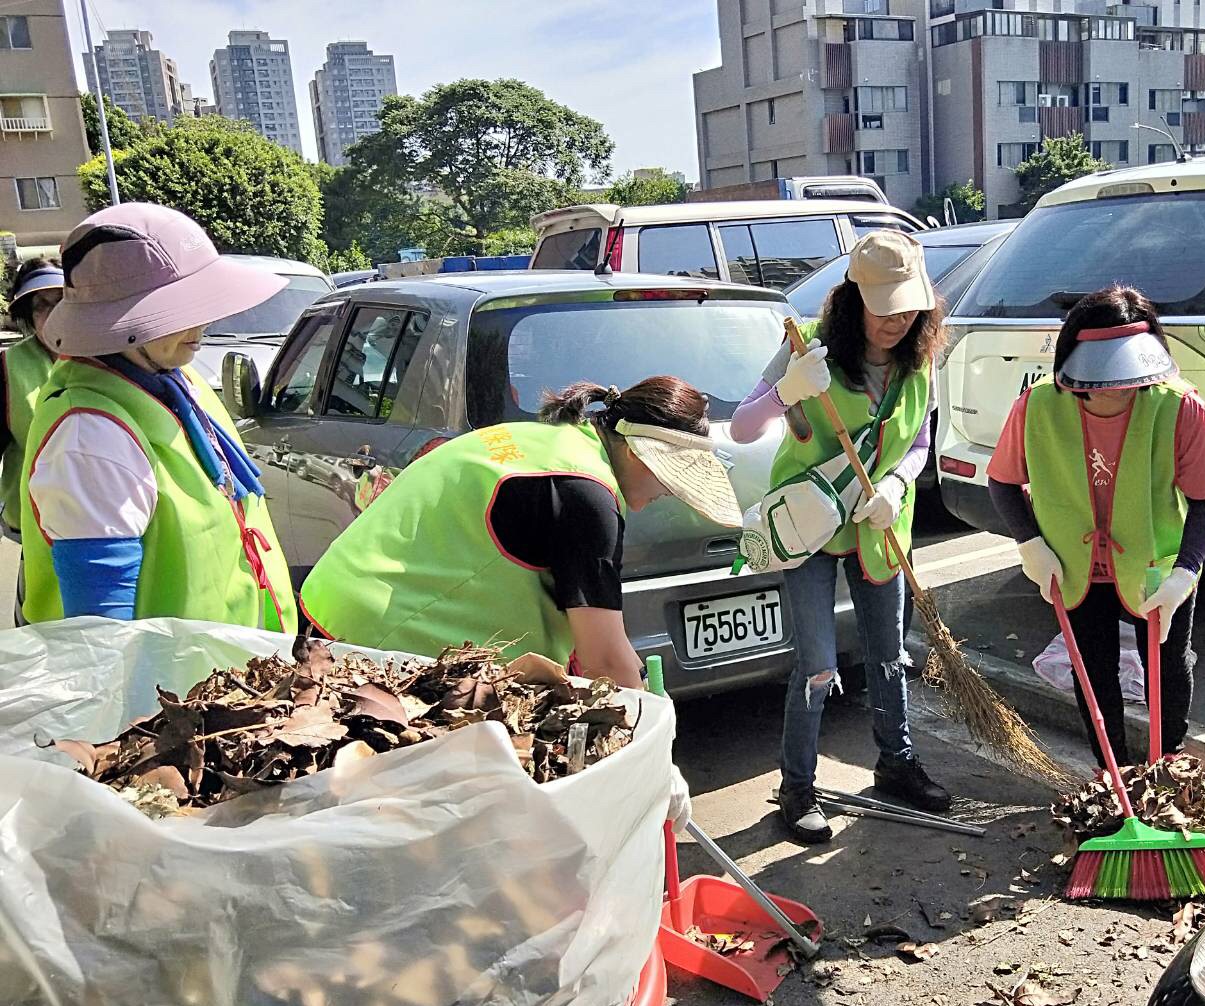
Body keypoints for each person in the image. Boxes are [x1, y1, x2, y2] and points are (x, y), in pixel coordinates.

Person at [299, 375, 743, 689]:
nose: (669, 491)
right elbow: (604, 660)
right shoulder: (586, 496)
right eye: (670, 475)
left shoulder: (552, 441)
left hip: (335, 601)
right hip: (374, 642)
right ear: (634, 451)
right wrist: (651, 751)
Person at [729, 230, 952, 844]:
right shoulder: (810, 349)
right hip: (808, 528)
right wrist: (787, 391)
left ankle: (896, 765)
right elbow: (745, 428)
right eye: (884, 307)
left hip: (879, 525)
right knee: (818, 665)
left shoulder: (919, 361)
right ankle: (796, 787)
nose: (897, 320)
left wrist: (901, 485)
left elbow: (921, 442)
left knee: (889, 656)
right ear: (854, 299)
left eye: (909, 307)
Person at [21, 203, 296, 632]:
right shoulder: (89, 435)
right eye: (178, 308)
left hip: (227, 677)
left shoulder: (178, 378)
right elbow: (101, 635)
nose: (200, 321)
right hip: (163, 693)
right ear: (119, 323)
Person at [986, 285, 1205, 769]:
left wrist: (1186, 572)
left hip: (1157, 565)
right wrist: (1031, 544)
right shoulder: (1038, 407)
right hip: (1072, 565)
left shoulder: (1178, 407)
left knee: (1166, 669)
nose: (1114, 387)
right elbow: (1002, 481)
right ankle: (1111, 773)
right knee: (1093, 672)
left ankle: (1166, 765)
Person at [1, 258, 63, 539]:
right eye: (41, 306)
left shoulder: (111, 356)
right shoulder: (8, 367)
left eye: (62, 300)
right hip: (35, 525)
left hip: (110, 520)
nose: (53, 314)